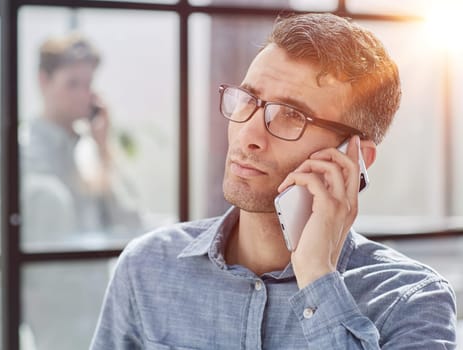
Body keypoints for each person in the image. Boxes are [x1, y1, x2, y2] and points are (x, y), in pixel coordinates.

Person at [90, 13, 457, 349]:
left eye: (291, 115)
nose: (248, 134)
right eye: (248, 99)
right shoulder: (148, 267)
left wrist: (317, 276)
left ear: (354, 158)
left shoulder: (411, 300)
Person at [19, 34, 142, 350]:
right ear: (43, 81)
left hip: (101, 306)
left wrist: (102, 147)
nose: (83, 95)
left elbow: (130, 223)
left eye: (88, 84)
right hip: (58, 318)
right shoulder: (22, 155)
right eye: (72, 83)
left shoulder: (89, 151)